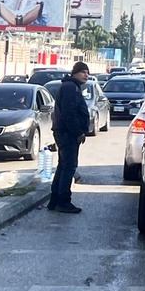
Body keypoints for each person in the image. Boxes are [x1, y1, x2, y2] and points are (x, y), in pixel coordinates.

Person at [48, 61, 90, 213]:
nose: (86, 75)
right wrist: (78, 132)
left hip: (65, 132)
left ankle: (54, 200)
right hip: (67, 133)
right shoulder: (70, 87)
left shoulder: (72, 87)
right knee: (69, 167)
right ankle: (63, 201)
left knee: (63, 166)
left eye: (87, 73)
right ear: (75, 73)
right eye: (83, 72)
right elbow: (68, 113)